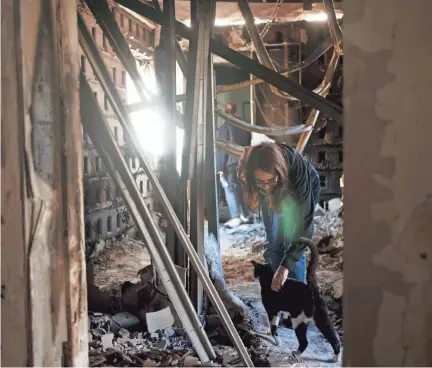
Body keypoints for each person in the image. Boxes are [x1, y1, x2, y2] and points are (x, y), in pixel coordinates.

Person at [238, 142, 320, 292]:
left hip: (296, 187)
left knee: (291, 239)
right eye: (260, 181)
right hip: (277, 184)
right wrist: (266, 184)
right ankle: (277, 293)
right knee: (274, 240)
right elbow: (266, 185)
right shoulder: (248, 169)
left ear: (279, 173)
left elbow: (304, 229)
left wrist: (286, 267)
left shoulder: (297, 169)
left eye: (270, 181)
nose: (267, 187)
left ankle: (296, 295)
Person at [216, 102, 252, 228]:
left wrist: (220, 169)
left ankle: (236, 217)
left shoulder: (224, 128)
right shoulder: (244, 127)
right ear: (236, 113)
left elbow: (222, 149)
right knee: (241, 190)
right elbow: (248, 144)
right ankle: (245, 215)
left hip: (230, 165)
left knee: (230, 189)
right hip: (244, 163)